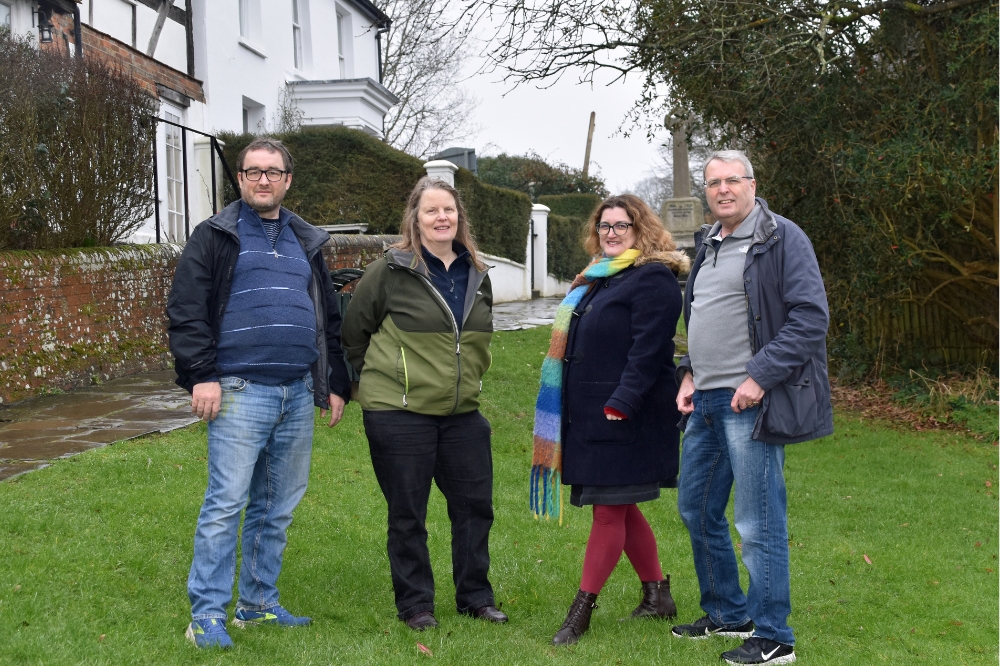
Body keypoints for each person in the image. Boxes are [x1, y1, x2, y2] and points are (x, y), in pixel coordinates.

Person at [167, 137, 351, 650]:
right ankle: (206, 614)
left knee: (277, 506)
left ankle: (257, 605)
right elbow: (186, 310)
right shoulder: (214, 236)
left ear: (288, 181)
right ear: (241, 179)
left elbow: (327, 317)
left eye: (273, 172)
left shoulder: (305, 240)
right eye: (254, 172)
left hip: (296, 392)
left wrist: (335, 381)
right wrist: (201, 374)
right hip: (239, 390)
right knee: (226, 503)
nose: (263, 179)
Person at [671, 150, 833, 665]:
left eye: (731, 181)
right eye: (713, 182)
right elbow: (704, 313)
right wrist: (692, 371)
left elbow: (810, 319)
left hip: (751, 402)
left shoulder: (782, 237)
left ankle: (774, 636)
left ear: (752, 184)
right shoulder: (708, 243)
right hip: (707, 400)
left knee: (758, 521)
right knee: (696, 508)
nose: (722, 190)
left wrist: (759, 377)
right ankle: (727, 613)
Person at [341, 176, 507, 631]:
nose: (441, 218)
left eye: (448, 210)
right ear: (415, 218)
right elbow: (354, 332)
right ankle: (416, 605)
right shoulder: (391, 270)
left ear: (459, 217)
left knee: (475, 508)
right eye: (431, 210)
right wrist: (372, 384)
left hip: (462, 414)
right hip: (399, 413)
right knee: (408, 513)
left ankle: (475, 596)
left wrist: (469, 376)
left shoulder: (477, 272)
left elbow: (479, 336)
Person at [531, 194, 690, 646]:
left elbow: (649, 350)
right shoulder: (598, 279)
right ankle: (657, 595)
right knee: (620, 504)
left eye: (622, 225)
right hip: (592, 415)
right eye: (605, 226)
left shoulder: (653, 279)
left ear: (642, 230)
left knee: (608, 510)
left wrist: (622, 401)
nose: (612, 233)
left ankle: (579, 613)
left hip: (627, 415)